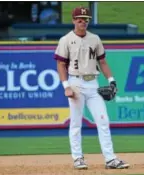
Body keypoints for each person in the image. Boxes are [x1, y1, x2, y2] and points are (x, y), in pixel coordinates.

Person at [54, 6, 129, 170]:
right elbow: (60, 64)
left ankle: (110, 159)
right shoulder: (66, 40)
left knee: (103, 121)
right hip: (76, 82)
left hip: (92, 83)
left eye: (86, 19)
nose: (83, 22)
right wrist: (66, 86)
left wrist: (112, 81)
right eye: (80, 19)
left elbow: (102, 62)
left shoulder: (95, 39)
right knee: (75, 122)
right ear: (74, 20)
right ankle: (78, 158)